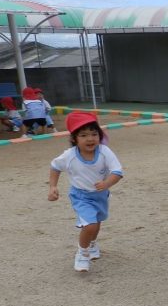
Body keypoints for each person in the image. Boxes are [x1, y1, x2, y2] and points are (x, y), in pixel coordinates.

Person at [48, 112, 124, 272]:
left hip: (101, 195)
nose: (90, 139)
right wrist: (53, 187)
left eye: (94, 134)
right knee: (90, 225)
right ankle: (82, 253)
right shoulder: (69, 155)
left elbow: (117, 171)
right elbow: (55, 166)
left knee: (96, 225)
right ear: (74, 138)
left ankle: (92, 244)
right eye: (83, 135)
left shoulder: (104, 151)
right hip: (81, 196)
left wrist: (106, 183)